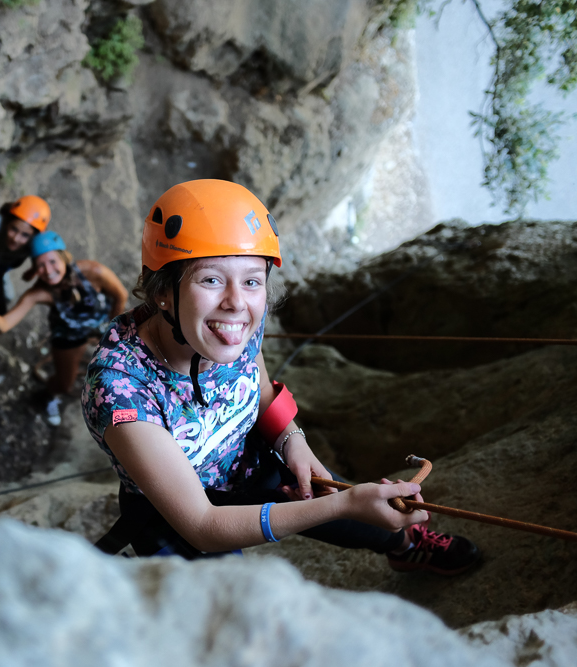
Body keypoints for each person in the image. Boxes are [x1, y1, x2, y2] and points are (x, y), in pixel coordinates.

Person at [82, 179, 480, 574]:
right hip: (172, 508)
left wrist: (293, 440)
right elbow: (203, 525)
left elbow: (259, 389)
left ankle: (406, 545)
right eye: (211, 279)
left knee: (345, 502)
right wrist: (339, 505)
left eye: (252, 280)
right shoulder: (121, 389)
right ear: (162, 292)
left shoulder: (232, 324)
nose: (237, 302)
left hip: (247, 461)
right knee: (229, 617)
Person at [0, 231, 128, 426]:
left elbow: (120, 295)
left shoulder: (93, 272)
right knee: (64, 384)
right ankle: (49, 395)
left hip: (101, 323)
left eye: (52, 262)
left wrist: (112, 332)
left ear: (64, 258)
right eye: (40, 265)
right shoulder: (39, 293)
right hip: (68, 336)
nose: (48, 270)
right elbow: (2, 326)